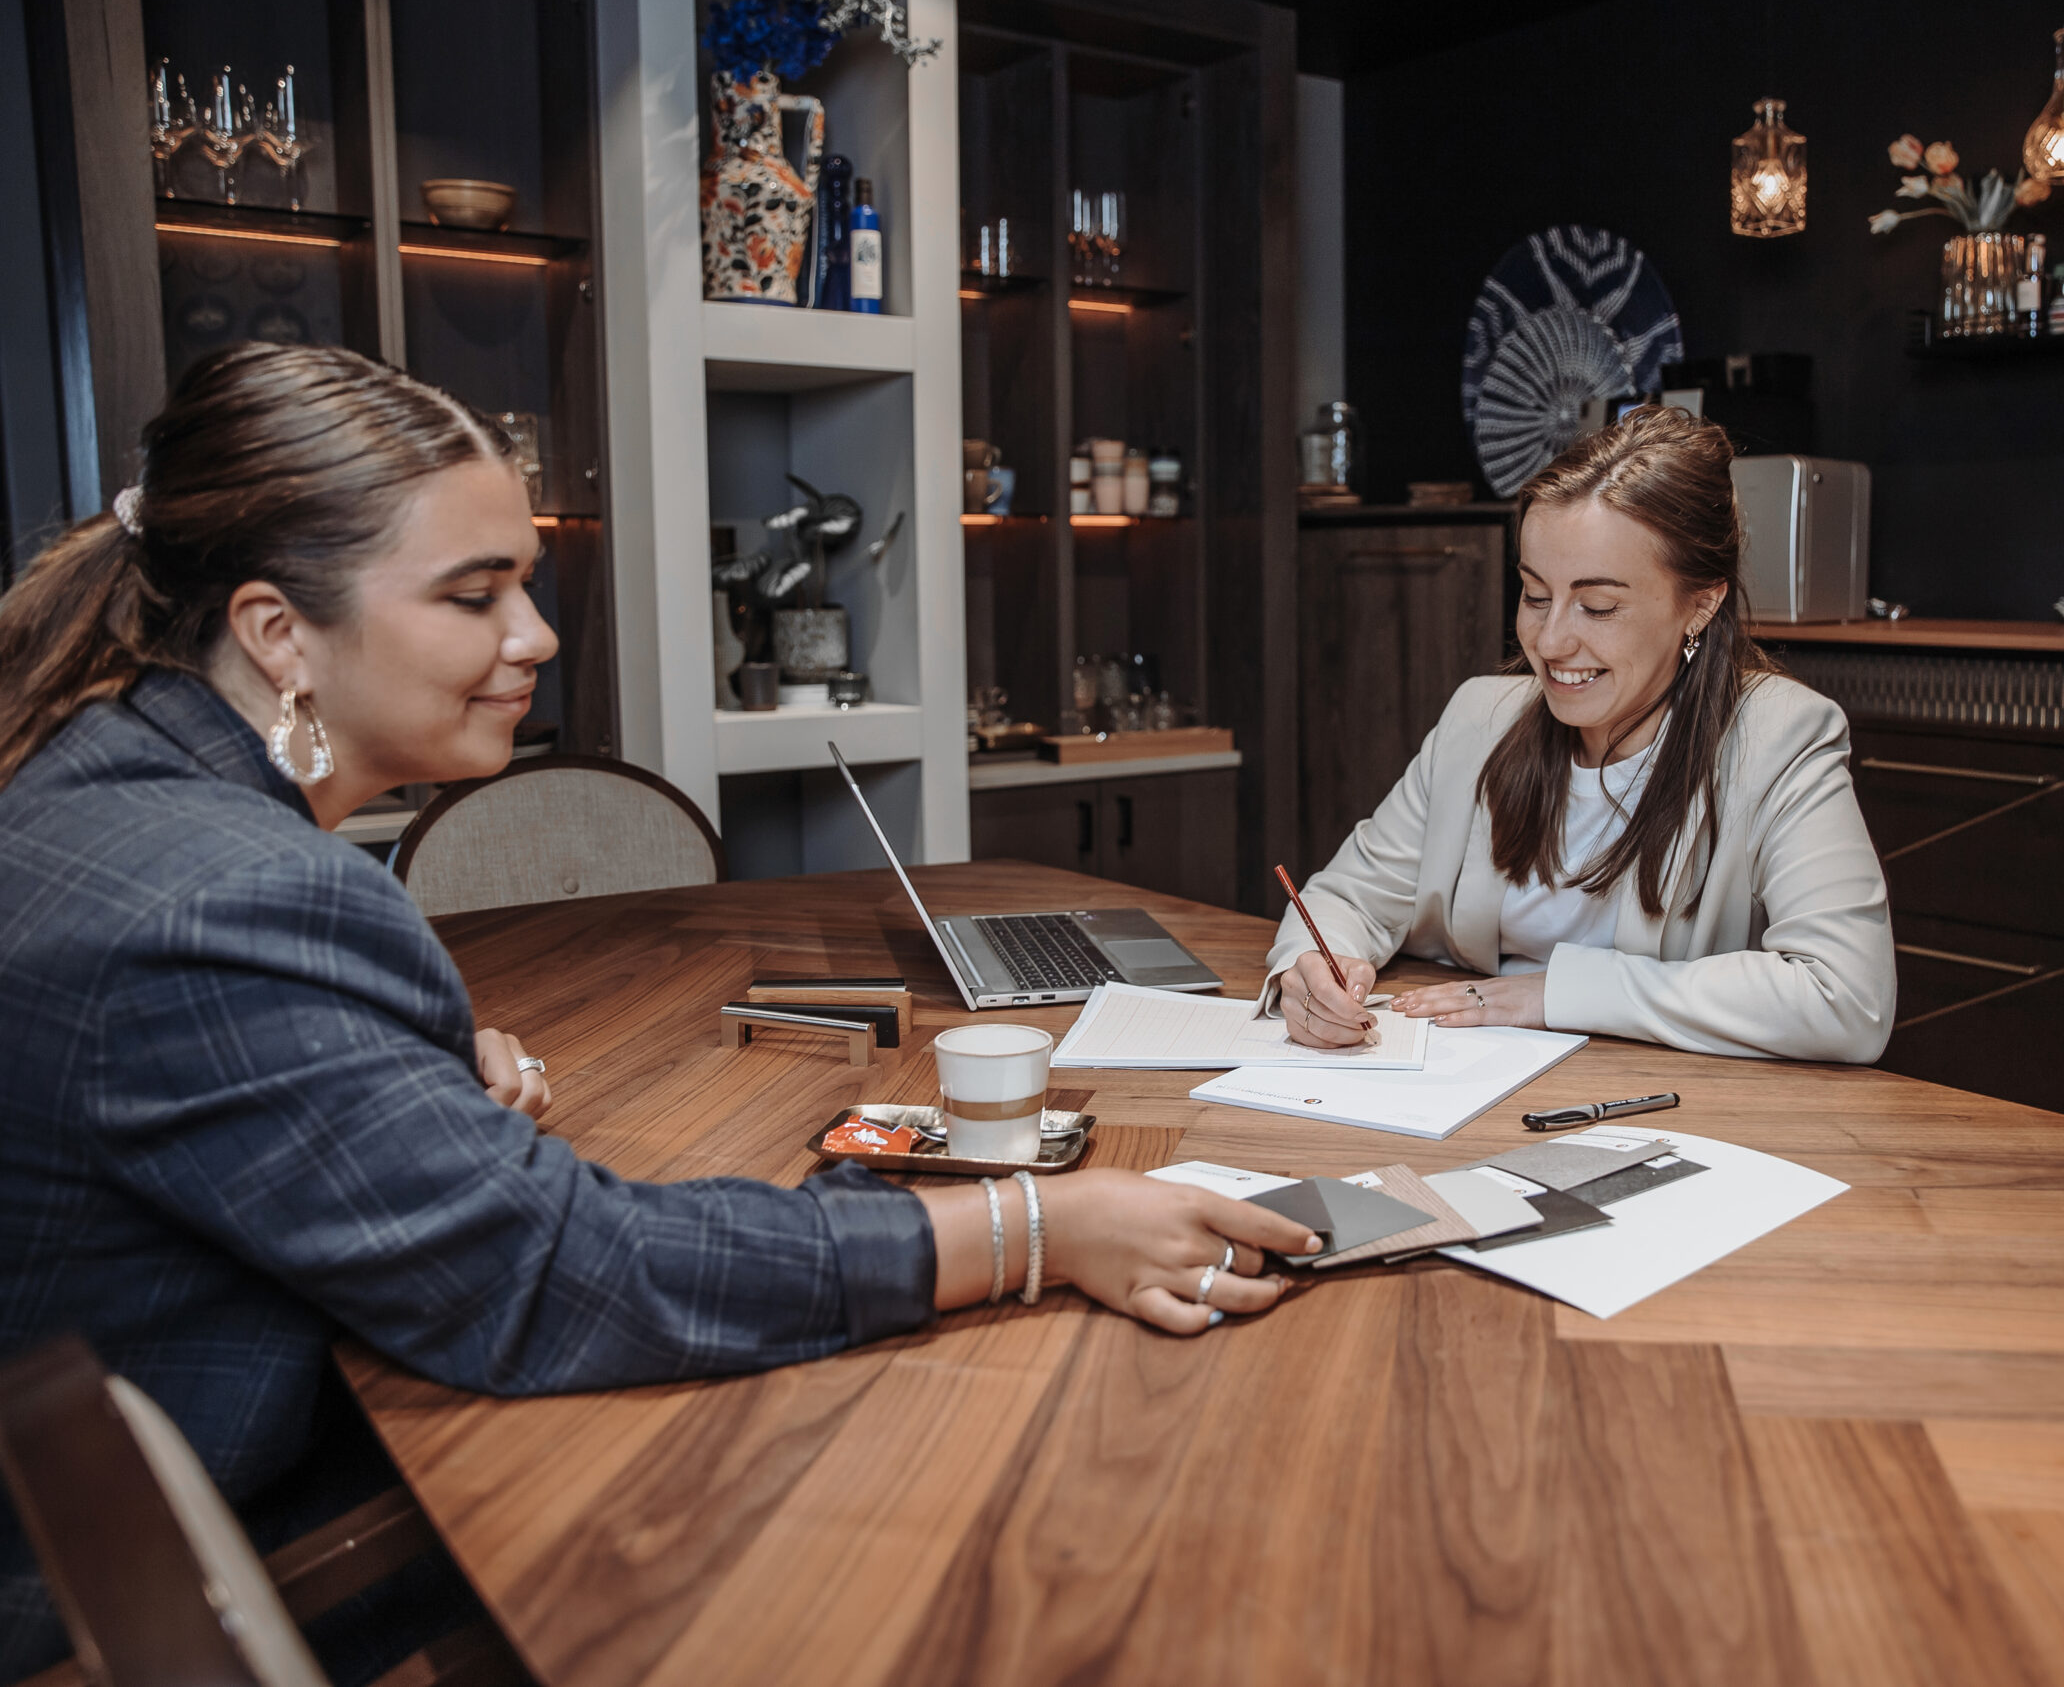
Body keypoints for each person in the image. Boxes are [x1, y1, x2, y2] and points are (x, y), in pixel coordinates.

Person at [0, 345, 1314, 1681]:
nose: (538, 635)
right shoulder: (233, 897)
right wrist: (1040, 1221)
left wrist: (383, 1068)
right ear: (278, 629)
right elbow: (560, 1271)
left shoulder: (98, 781)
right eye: (475, 595)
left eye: (523, 580)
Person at [1270, 407, 1894, 1060]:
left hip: (1668, 1114)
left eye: (1598, 606)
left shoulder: (1781, 739)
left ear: (1701, 604)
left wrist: (1553, 995)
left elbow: (1847, 995)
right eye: (1536, 595)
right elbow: (1350, 897)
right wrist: (1315, 966)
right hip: (1455, 1085)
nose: (1549, 639)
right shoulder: (1479, 718)